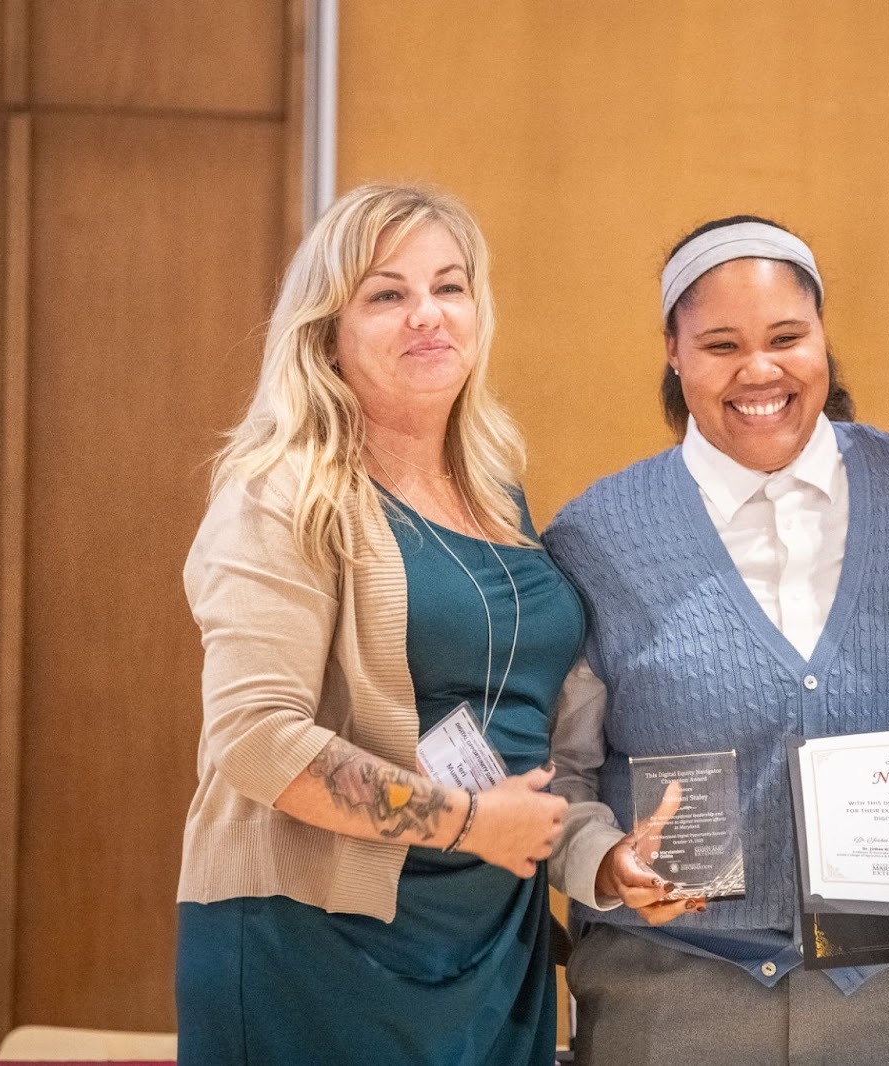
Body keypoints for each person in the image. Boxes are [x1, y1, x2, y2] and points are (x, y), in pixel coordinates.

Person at [543, 216, 889, 1065]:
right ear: (673, 350)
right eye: (721, 344)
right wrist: (602, 859)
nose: (759, 371)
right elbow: (556, 771)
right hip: (673, 1006)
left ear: (823, 339)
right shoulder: (597, 540)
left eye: (786, 337)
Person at [175, 182, 580, 1066]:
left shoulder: (496, 490)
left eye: (450, 286)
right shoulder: (279, 491)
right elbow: (255, 739)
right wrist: (467, 821)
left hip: (486, 934)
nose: (427, 316)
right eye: (387, 294)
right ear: (328, 330)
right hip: (316, 944)